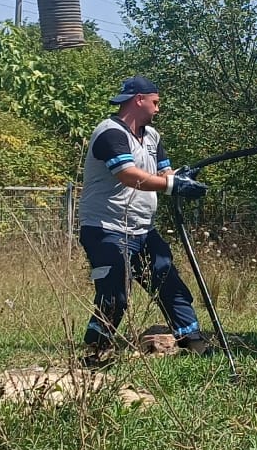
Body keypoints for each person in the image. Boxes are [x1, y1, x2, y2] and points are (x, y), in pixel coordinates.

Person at [78, 75, 211, 360]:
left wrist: (182, 178)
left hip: (143, 229)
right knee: (115, 292)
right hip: (106, 229)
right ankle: (95, 350)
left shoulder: (151, 136)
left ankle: (193, 342)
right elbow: (127, 174)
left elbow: (165, 173)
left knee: (167, 279)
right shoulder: (110, 133)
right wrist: (170, 185)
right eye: (155, 102)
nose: (157, 109)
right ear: (139, 100)